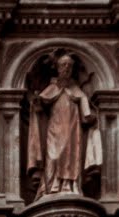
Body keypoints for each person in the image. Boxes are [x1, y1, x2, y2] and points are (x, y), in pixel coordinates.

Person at [26, 53, 103, 200]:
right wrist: (36, 101)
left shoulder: (76, 90)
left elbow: (86, 112)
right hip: (54, 129)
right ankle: (51, 186)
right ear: (58, 68)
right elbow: (40, 105)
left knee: (71, 156)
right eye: (63, 65)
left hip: (73, 129)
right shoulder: (52, 88)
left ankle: (70, 185)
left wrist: (90, 117)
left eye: (69, 65)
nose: (66, 68)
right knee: (53, 156)